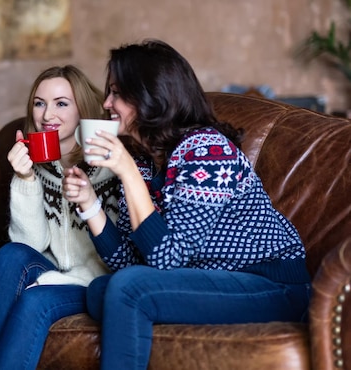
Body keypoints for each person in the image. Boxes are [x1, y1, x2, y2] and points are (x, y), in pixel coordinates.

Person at [63, 39, 311, 370]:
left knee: (125, 291)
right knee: (101, 291)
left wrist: (125, 172)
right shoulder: (145, 162)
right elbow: (130, 263)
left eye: (117, 93)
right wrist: (90, 205)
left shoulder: (207, 151)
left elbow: (167, 260)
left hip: (271, 285)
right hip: (208, 278)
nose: (106, 103)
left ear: (149, 97)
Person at [0, 65, 122, 370]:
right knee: (10, 254)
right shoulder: (36, 166)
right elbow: (30, 245)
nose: (47, 115)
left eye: (61, 103)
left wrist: (54, 281)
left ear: (85, 111)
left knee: (35, 301)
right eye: (40, 103)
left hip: (93, 281)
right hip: (49, 267)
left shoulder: (112, 167)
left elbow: (116, 256)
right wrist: (25, 178)